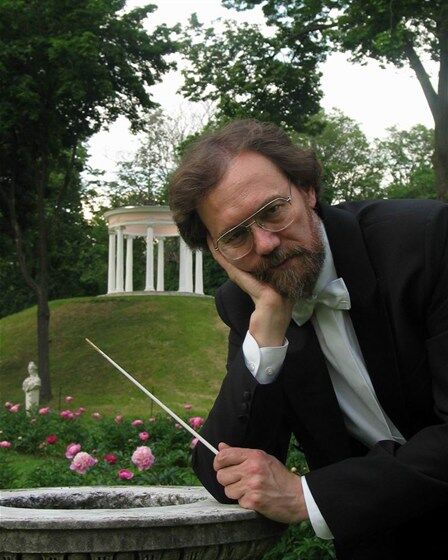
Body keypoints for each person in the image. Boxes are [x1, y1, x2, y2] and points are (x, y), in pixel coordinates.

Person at [168, 119, 448, 560]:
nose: (265, 244)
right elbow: (224, 472)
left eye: (272, 211)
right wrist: (267, 329)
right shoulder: (247, 304)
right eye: (236, 236)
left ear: (307, 190)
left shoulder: (426, 239)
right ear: (217, 251)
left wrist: (309, 496)